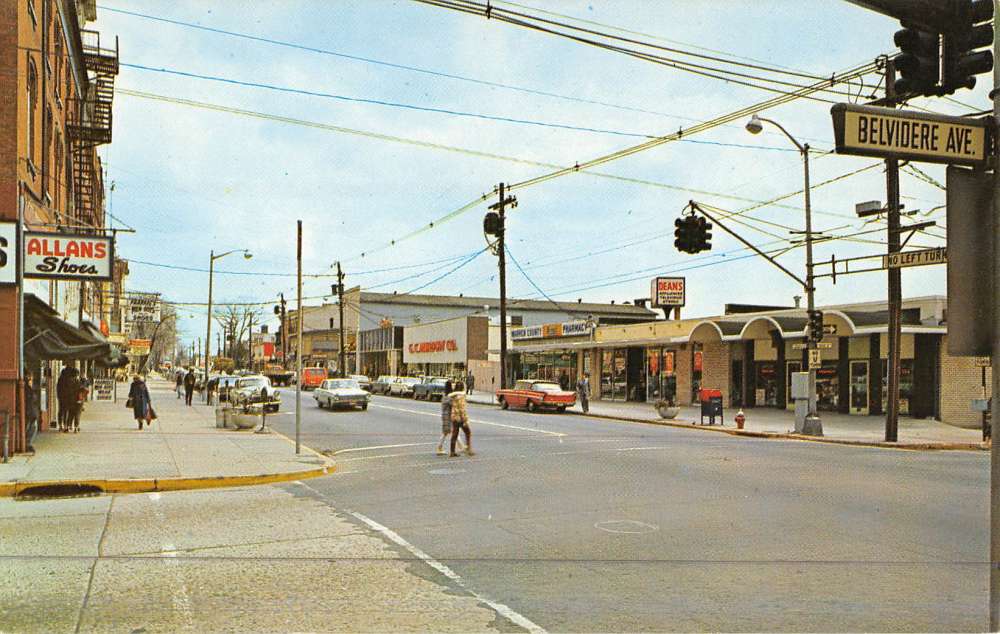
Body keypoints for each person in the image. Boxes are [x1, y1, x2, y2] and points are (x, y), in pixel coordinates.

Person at [437, 380, 465, 455]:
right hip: (447, 416)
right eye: (452, 384)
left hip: (447, 415)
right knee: (446, 432)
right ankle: (439, 448)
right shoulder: (448, 396)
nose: (454, 385)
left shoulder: (446, 394)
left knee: (453, 431)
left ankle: (461, 446)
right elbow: (452, 403)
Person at [449, 381, 473, 457]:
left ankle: (452, 451)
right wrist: (465, 419)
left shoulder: (454, 395)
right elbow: (462, 409)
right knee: (468, 432)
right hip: (460, 418)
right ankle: (469, 449)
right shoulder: (461, 396)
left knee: (455, 434)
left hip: (454, 416)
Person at [56, 366, 73, 431]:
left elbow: (58, 388)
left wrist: (59, 396)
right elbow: (70, 389)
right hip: (67, 397)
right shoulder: (69, 379)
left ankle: (61, 425)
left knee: (61, 411)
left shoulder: (60, 379)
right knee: (66, 411)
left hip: (61, 397)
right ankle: (65, 425)